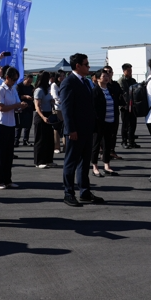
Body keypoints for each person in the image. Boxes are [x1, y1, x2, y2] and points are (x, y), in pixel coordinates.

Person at [59, 53, 104, 207]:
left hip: (87, 129)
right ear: (77, 66)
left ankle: (84, 191)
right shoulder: (69, 82)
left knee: (84, 163)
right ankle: (68, 193)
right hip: (75, 131)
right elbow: (66, 109)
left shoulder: (85, 82)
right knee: (71, 162)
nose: (89, 67)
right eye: (86, 64)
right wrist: (71, 129)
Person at [0, 65, 26, 189]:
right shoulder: (1, 89)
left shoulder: (13, 90)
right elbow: (1, 107)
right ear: (7, 77)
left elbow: (16, 105)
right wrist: (16, 106)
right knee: (0, 154)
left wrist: (20, 107)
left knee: (9, 154)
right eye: (13, 79)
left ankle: (7, 180)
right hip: (2, 124)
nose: (14, 82)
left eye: (16, 80)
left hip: (11, 124)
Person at [91, 68, 119, 177]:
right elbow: (93, 108)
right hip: (99, 123)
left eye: (107, 76)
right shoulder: (95, 91)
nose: (106, 78)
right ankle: (95, 167)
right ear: (98, 78)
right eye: (104, 76)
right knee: (96, 144)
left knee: (108, 144)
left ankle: (107, 165)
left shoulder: (110, 90)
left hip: (110, 121)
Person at [32, 73, 57, 168]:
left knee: (49, 139)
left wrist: (52, 101)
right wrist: (43, 117)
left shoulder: (47, 89)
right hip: (41, 115)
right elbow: (37, 106)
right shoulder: (39, 90)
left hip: (48, 114)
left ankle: (48, 160)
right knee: (40, 139)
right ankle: (39, 161)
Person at [118, 63, 138, 149]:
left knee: (133, 124)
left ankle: (131, 141)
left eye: (131, 70)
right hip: (125, 106)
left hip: (132, 105)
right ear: (124, 71)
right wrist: (125, 104)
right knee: (125, 125)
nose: (130, 72)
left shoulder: (133, 80)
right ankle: (124, 141)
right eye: (128, 70)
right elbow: (123, 93)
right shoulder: (121, 81)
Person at [15, 74, 35, 147]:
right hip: (21, 107)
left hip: (29, 107)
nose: (29, 83)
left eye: (30, 82)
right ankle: (16, 140)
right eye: (28, 82)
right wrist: (25, 96)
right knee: (19, 125)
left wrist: (32, 96)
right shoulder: (19, 86)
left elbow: (33, 95)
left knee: (28, 125)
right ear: (25, 79)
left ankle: (26, 140)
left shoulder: (31, 87)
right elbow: (17, 96)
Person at [50, 71, 65, 154]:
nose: (62, 77)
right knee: (57, 127)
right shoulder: (54, 85)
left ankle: (65, 146)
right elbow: (55, 97)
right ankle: (57, 146)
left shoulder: (65, 84)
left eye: (63, 76)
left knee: (65, 127)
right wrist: (63, 101)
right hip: (57, 108)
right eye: (60, 76)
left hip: (65, 108)